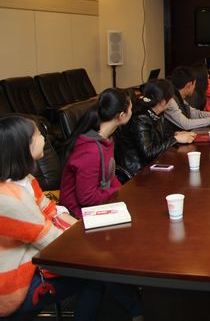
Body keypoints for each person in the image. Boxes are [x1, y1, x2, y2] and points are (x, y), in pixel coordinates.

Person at [0, 116, 104, 319]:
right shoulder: (10, 199)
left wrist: (83, 228)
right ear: (25, 146)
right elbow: (52, 242)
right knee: (95, 276)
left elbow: (51, 211)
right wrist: (92, 241)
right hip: (12, 282)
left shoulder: (26, 180)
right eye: (39, 134)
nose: (44, 139)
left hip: (32, 260)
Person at [59, 88, 132, 219]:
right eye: (131, 109)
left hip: (97, 205)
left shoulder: (106, 138)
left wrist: (123, 193)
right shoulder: (91, 151)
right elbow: (87, 198)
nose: (132, 112)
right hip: (78, 215)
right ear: (122, 115)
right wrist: (118, 192)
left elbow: (110, 176)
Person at [115, 79, 195, 177]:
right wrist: (175, 139)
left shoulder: (156, 111)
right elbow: (148, 153)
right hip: (138, 171)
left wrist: (175, 134)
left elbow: (157, 137)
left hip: (152, 164)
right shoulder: (140, 117)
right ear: (163, 102)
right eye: (171, 98)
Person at [165, 65, 210, 132]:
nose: (195, 87)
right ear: (189, 86)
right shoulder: (170, 101)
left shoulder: (179, 96)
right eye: (194, 84)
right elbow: (186, 124)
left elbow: (195, 114)